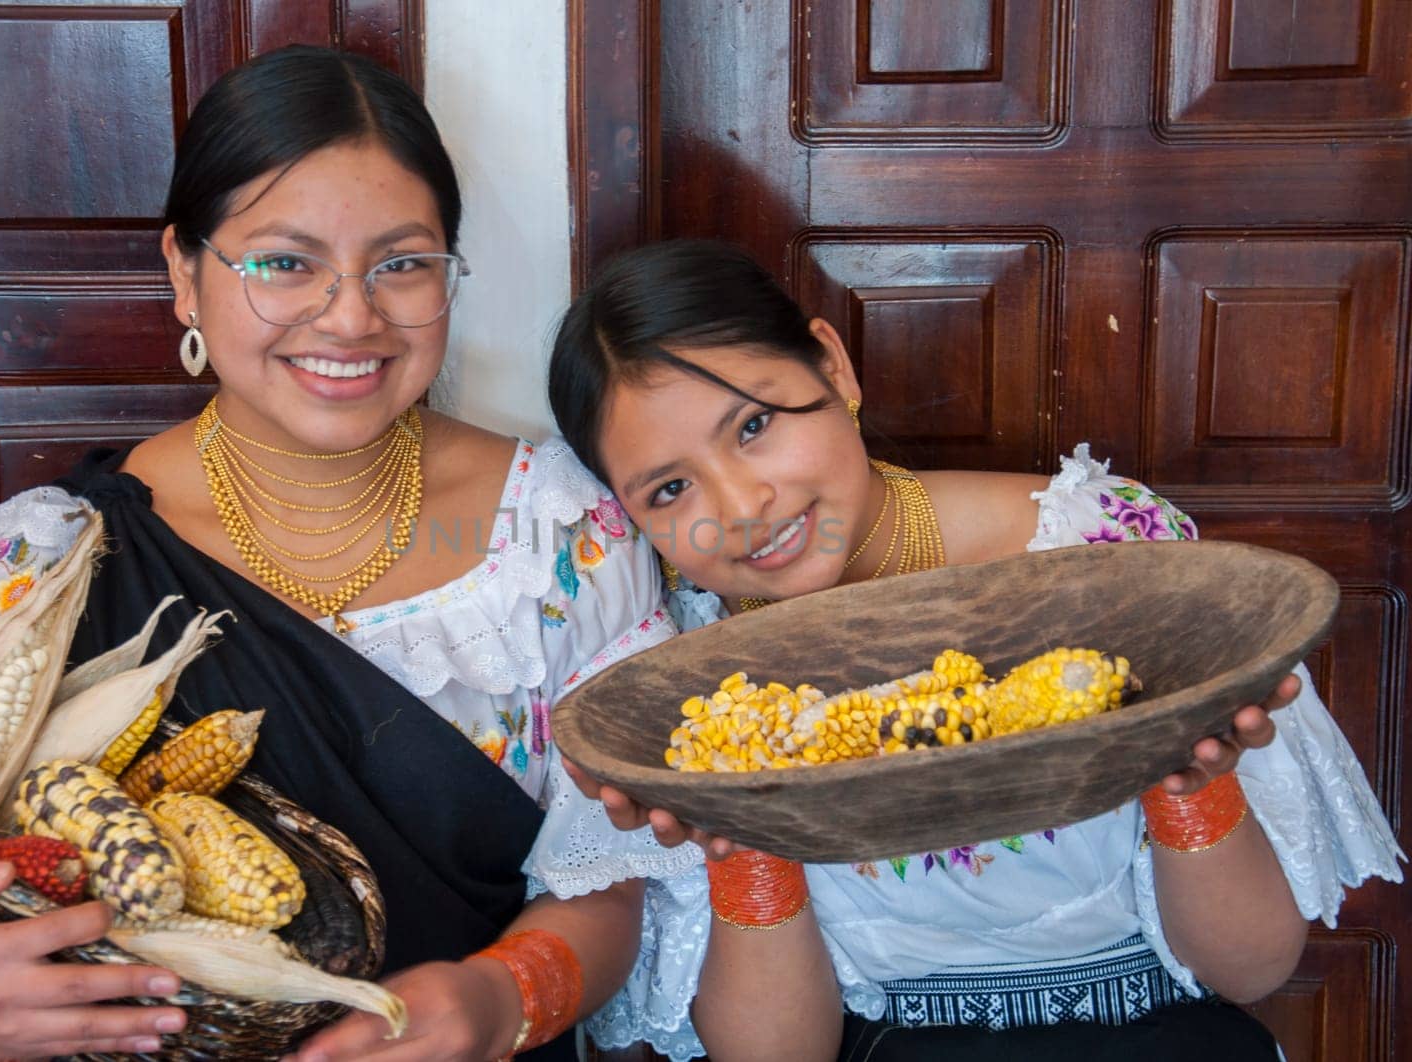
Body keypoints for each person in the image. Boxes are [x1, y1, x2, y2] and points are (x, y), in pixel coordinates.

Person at [0, 45, 680, 1062]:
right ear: (184, 271)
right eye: (283, 261)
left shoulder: (562, 535)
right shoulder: (50, 562)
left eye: (401, 263)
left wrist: (498, 998)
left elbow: (614, 882)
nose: (351, 316)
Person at [545, 239, 1405, 1061]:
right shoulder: (682, 694)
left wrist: (1194, 779)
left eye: (755, 425)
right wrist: (741, 836)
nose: (739, 506)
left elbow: (1250, 967)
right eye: (670, 487)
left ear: (833, 366)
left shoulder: (1116, 560)